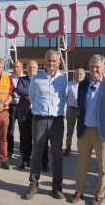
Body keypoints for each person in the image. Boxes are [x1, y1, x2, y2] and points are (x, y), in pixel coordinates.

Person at [69, 54, 105, 205]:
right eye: (92, 66)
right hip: (85, 130)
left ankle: (100, 194)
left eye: (97, 66)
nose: (94, 69)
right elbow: (80, 104)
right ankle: (79, 190)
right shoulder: (84, 84)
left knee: (103, 166)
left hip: (103, 132)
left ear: (104, 68)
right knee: (82, 164)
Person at [25, 50, 67, 200]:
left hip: (57, 121)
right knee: (36, 153)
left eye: (54, 61)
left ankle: (57, 188)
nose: (51, 63)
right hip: (39, 120)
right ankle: (33, 185)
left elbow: (65, 98)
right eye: (49, 60)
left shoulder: (63, 80)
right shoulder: (36, 79)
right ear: (45, 61)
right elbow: (32, 97)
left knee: (57, 155)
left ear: (58, 62)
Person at [15, 60, 49, 169]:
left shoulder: (42, 80)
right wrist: (33, 94)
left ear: (37, 69)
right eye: (29, 68)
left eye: (33, 68)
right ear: (26, 69)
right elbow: (19, 89)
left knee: (41, 139)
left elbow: (43, 93)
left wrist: (30, 95)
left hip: (38, 113)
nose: (31, 70)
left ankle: (44, 163)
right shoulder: (22, 79)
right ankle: (25, 160)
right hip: (25, 113)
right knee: (26, 139)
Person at [64, 67, 85, 156]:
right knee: (69, 131)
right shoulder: (69, 84)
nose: (79, 75)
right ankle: (68, 148)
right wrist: (64, 111)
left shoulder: (86, 85)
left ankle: (81, 150)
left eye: (81, 74)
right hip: (71, 110)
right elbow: (64, 98)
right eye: (77, 74)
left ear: (84, 75)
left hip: (82, 111)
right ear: (74, 75)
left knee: (82, 131)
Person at [8, 60, 24, 159]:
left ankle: (22, 151)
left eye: (18, 67)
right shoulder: (8, 78)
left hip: (23, 107)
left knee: (23, 130)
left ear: (22, 68)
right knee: (10, 130)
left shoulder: (25, 78)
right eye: (14, 66)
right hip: (12, 106)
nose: (16, 68)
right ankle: (10, 150)